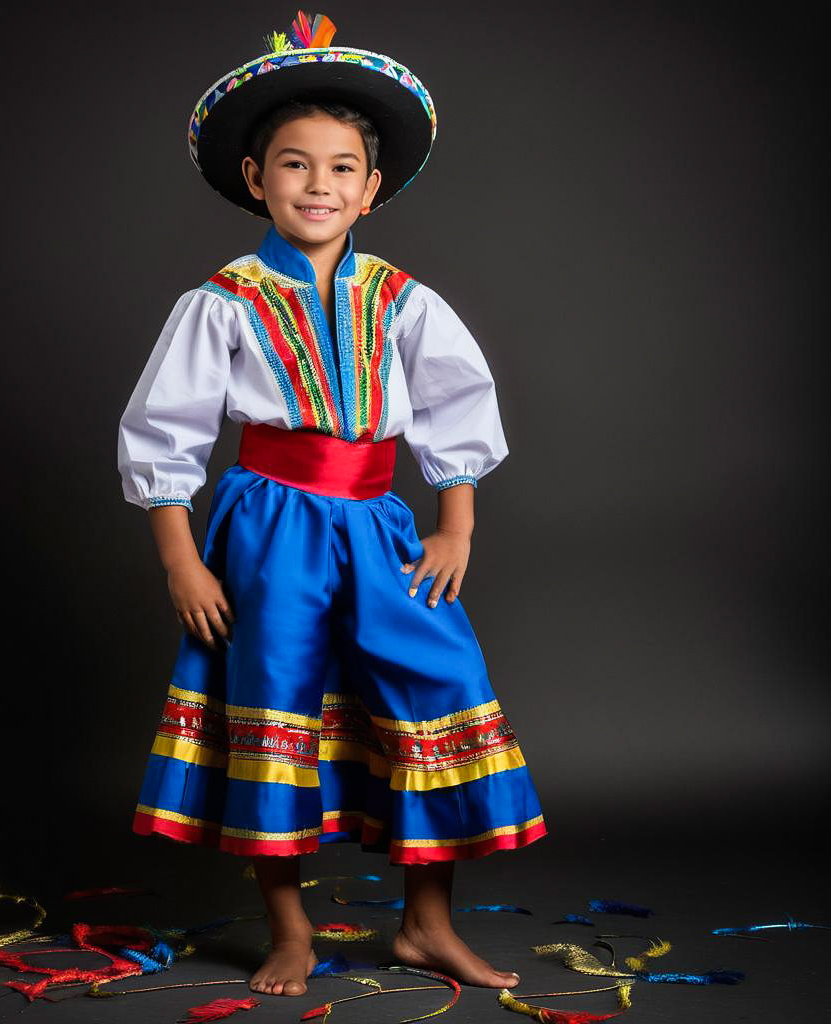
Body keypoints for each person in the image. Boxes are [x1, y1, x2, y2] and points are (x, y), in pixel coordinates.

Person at [117, 10, 547, 999]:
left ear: (373, 187)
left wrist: (455, 520)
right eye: (295, 165)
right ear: (254, 179)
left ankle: (425, 925)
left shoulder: (404, 300)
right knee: (273, 704)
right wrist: (181, 556)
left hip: (377, 522)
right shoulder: (220, 300)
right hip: (267, 529)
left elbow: (455, 411)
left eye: (342, 167)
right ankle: (290, 929)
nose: (320, 185)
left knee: (433, 684)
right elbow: (163, 433)